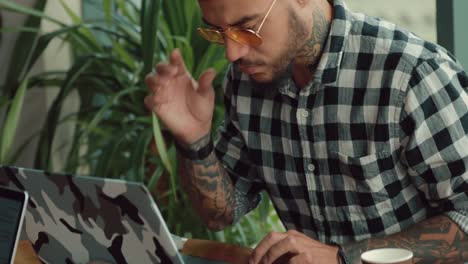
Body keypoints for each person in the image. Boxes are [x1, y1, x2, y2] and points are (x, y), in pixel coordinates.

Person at [144, 0, 468, 262]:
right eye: (218, 32)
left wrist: (343, 258)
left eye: (247, 28)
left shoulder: (411, 74)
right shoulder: (245, 81)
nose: (233, 52)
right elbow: (221, 213)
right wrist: (194, 140)